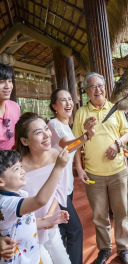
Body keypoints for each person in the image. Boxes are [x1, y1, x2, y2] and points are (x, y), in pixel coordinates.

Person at [73, 72, 128, 264]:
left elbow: (127, 133)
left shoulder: (115, 109)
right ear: (86, 91)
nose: (97, 90)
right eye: (92, 87)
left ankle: (124, 249)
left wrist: (118, 145)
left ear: (105, 88)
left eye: (100, 86)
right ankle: (104, 249)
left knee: (121, 212)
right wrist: (79, 169)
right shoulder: (81, 113)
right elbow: (75, 144)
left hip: (117, 171)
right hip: (93, 174)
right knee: (99, 215)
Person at [48, 88, 98, 264]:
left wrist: (79, 166)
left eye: (70, 99)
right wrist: (85, 136)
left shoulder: (66, 127)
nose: (68, 103)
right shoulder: (53, 124)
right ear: (54, 106)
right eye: (63, 100)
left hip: (66, 186)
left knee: (62, 231)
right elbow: (67, 146)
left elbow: (73, 148)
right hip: (57, 189)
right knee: (75, 230)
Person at [14, 112, 71, 264]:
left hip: (50, 223)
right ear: (25, 141)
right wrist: (41, 221)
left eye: (46, 128)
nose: (46, 135)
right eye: (39, 132)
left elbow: (60, 189)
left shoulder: (56, 156)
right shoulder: (16, 168)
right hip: (28, 230)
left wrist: (50, 216)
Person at [0, 149, 70, 264]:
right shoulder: (6, 203)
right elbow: (40, 200)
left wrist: (49, 221)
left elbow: (26, 222)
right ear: (1, 182)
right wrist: (58, 167)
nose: (22, 171)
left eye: (21, 166)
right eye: (16, 169)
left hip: (32, 258)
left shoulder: (21, 193)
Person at [0, 62, 20, 150]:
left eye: (10, 81)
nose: (8, 86)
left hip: (15, 160)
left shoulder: (15, 107)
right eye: (1, 82)